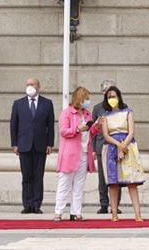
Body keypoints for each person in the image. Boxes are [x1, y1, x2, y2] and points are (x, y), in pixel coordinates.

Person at [9, 77, 55, 214]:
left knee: (38, 176)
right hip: (24, 144)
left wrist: (50, 143)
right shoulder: (18, 103)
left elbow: (50, 125)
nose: (30, 86)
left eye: (32, 84)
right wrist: (14, 144)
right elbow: (13, 125)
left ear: (38, 86)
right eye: (28, 84)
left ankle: (36, 204)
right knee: (26, 176)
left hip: (40, 145)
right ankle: (27, 204)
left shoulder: (47, 103)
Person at [101, 86, 145, 222]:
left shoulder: (128, 112)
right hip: (111, 147)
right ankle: (114, 213)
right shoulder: (104, 116)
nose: (112, 99)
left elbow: (131, 132)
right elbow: (106, 135)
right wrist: (118, 146)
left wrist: (124, 146)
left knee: (132, 182)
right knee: (113, 183)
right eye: (109, 97)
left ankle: (137, 213)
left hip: (128, 146)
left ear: (119, 97)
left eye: (114, 96)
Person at [54, 86, 96, 222]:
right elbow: (63, 131)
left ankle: (76, 212)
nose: (87, 102)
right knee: (65, 182)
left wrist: (97, 126)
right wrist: (77, 129)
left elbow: (91, 133)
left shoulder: (88, 114)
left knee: (79, 184)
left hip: (84, 152)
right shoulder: (67, 113)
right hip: (70, 153)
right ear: (79, 99)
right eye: (86, 99)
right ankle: (58, 211)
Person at [91, 78, 120, 215]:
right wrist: (92, 149)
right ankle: (103, 204)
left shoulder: (121, 107)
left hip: (117, 145)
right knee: (102, 179)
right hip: (101, 146)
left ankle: (116, 205)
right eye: (106, 90)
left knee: (117, 177)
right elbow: (93, 130)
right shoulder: (97, 108)